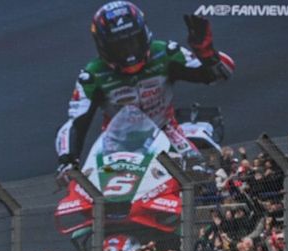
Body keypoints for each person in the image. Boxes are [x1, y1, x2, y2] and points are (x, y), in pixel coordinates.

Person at [55, 2, 235, 179]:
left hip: (166, 132)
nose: (128, 52)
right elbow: (75, 123)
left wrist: (206, 53)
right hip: (117, 145)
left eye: (133, 41)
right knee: (96, 190)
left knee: (199, 176)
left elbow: (221, 75)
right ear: (103, 46)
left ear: (144, 34)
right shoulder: (92, 75)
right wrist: (67, 161)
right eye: (119, 46)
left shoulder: (166, 53)